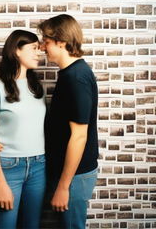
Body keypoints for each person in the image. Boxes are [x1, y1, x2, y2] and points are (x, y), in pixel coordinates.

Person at [0, 30, 46, 229]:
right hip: (8, 167)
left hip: (39, 166)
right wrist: (0, 184)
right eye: (33, 48)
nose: (38, 53)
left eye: (39, 49)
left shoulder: (36, 87)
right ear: (16, 50)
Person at [38, 14, 99, 229]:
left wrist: (63, 187)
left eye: (46, 40)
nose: (43, 47)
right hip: (69, 174)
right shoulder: (69, 74)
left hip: (74, 176)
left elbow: (79, 135)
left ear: (61, 41)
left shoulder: (76, 78)